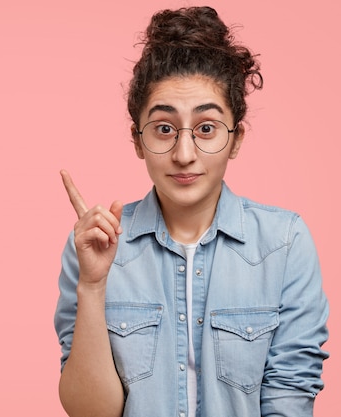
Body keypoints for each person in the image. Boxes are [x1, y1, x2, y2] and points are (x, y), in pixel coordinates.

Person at [54, 6, 329, 417]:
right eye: (164, 128)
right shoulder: (95, 246)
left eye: (206, 128)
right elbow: (90, 413)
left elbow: (290, 395)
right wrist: (93, 287)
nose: (185, 154)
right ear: (137, 139)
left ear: (235, 139)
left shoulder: (284, 244)